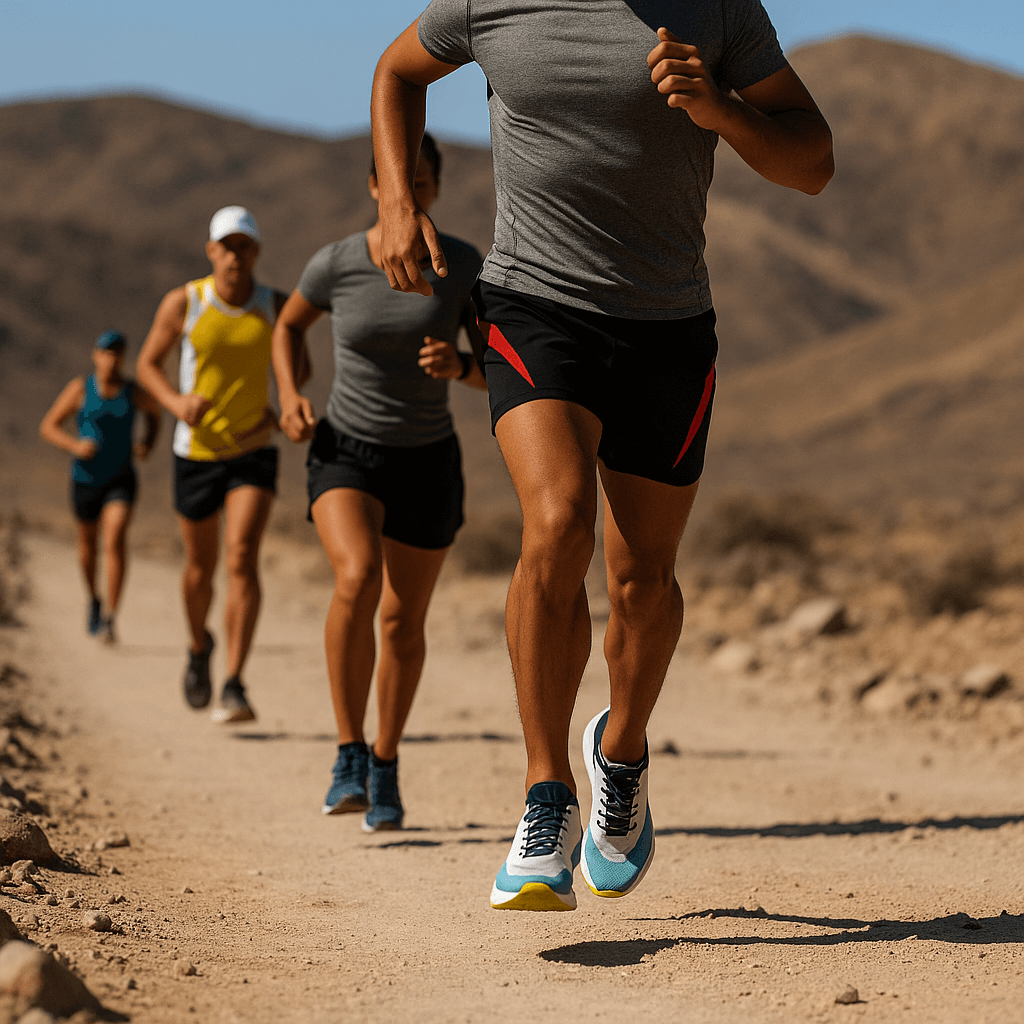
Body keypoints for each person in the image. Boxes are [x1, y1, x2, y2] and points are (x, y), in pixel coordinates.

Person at [371, 2, 834, 907]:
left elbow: (813, 163)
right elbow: (397, 74)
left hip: (668, 329)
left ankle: (619, 752)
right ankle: (547, 797)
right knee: (557, 523)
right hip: (533, 305)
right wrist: (394, 200)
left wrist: (725, 113)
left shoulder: (720, 11)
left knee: (644, 583)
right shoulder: (487, 2)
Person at [272, 133, 486, 831]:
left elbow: (498, 366)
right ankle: (347, 752)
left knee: (401, 620)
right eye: (403, 181)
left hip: (426, 458)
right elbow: (287, 327)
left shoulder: (460, 266)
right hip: (346, 450)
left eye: (425, 182)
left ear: (437, 188)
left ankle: (385, 763)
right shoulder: (336, 263)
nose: (414, 192)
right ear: (377, 186)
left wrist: (460, 367)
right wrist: (291, 394)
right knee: (357, 577)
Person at [137, 207, 293, 724]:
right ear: (211, 252)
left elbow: (299, 368)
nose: (235, 255)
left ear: (257, 252)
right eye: (226, 246)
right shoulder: (186, 301)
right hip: (196, 452)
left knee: (242, 556)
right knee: (200, 570)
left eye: (244, 246)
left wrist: (283, 405)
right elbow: (146, 364)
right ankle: (198, 646)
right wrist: (176, 403)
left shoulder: (274, 306)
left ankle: (234, 682)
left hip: (253, 451)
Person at [39, 330, 162, 644]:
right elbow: (49, 426)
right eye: (106, 353)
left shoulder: (132, 391)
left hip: (120, 478)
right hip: (85, 479)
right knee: (88, 546)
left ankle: (110, 617)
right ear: (96, 355)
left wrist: (147, 443)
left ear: (123, 357)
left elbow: (155, 412)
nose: (111, 359)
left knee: (116, 535)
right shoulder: (81, 389)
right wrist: (74, 446)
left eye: (117, 353)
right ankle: (93, 597)